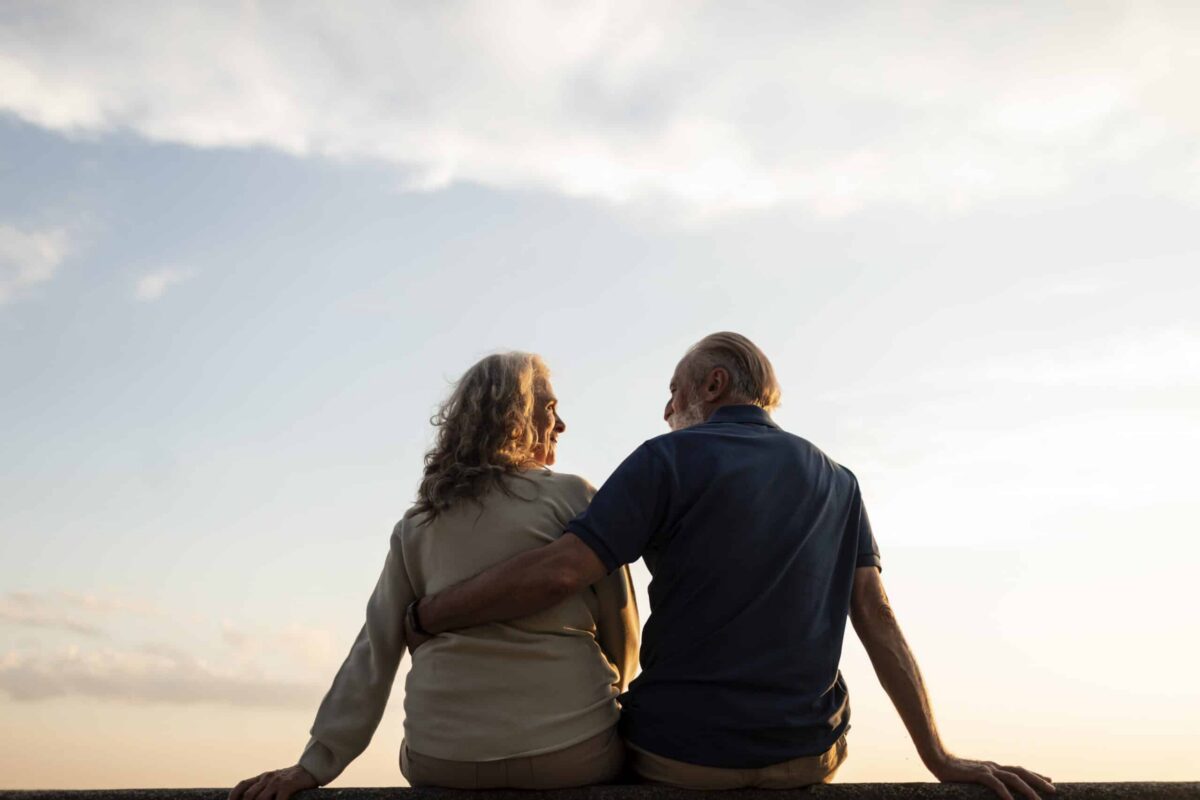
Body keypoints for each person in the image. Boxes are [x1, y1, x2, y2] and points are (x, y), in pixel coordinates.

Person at [406, 332, 1057, 800]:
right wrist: (939, 758)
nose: (667, 411)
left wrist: (432, 613)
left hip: (681, 757)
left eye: (673, 392)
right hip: (809, 754)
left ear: (712, 385)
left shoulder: (665, 461)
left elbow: (559, 573)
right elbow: (877, 617)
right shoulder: (840, 479)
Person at [229, 352, 639, 800]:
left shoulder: (417, 525)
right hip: (573, 752)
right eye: (550, 409)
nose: (561, 425)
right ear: (517, 418)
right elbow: (624, 636)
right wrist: (596, 697)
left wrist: (315, 764)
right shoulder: (575, 497)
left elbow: (375, 649)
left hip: (443, 760)